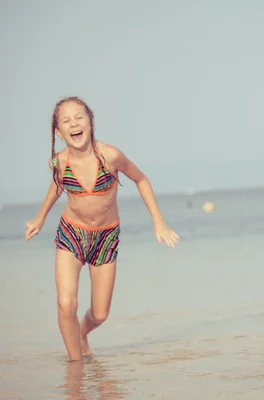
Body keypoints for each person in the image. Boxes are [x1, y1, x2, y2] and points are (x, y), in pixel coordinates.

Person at [25, 96, 179, 361]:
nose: (73, 123)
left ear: (90, 121)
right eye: (66, 120)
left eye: (79, 117)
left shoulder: (110, 156)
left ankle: (82, 333)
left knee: (100, 314)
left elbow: (141, 179)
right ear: (58, 132)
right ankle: (75, 367)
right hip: (71, 233)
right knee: (66, 304)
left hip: (106, 237)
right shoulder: (59, 162)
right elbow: (57, 185)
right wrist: (40, 217)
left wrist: (159, 221)